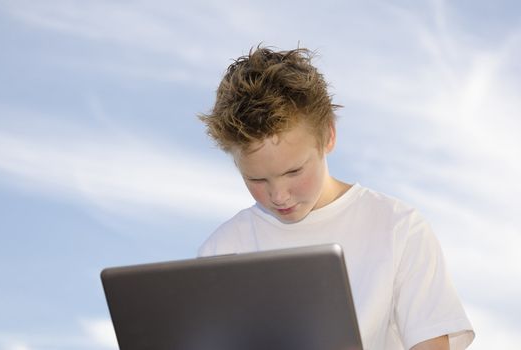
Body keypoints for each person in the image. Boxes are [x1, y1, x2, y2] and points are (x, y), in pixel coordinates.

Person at [198, 46, 474, 350]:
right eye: (257, 180)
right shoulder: (220, 251)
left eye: (294, 171)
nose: (278, 195)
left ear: (328, 136)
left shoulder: (398, 228)